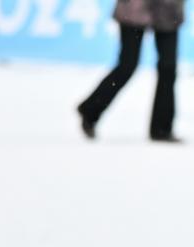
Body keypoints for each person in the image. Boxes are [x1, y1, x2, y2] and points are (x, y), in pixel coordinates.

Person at [78, 0, 187, 142]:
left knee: (168, 67)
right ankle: (91, 109)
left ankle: (161, 128)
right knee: (127, 65)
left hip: (169, 8)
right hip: (134, 7)